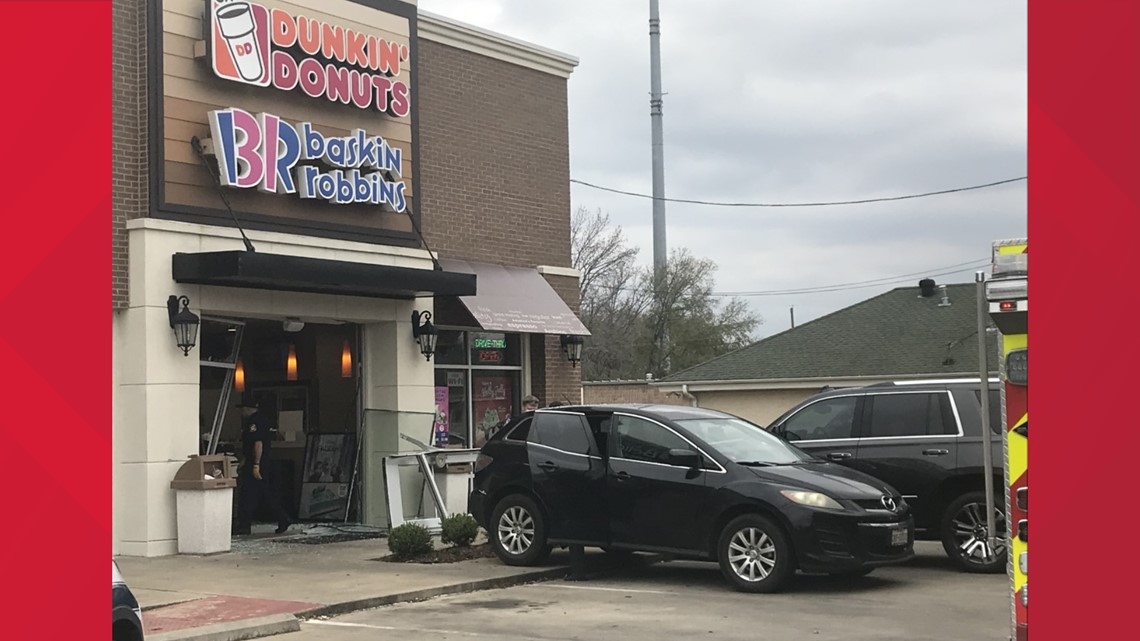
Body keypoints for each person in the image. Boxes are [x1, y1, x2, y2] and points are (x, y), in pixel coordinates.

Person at [235, 396, 290, 535]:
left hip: (257, 463)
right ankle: (282, 518)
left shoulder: (254, 422)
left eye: (242, 409)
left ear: (247, 409)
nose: (241, 412)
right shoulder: (262, 420)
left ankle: (244, 526)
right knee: (264, 493)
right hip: (255, 462)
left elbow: (258, 444)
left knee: (248, 494)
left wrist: (255, 464)